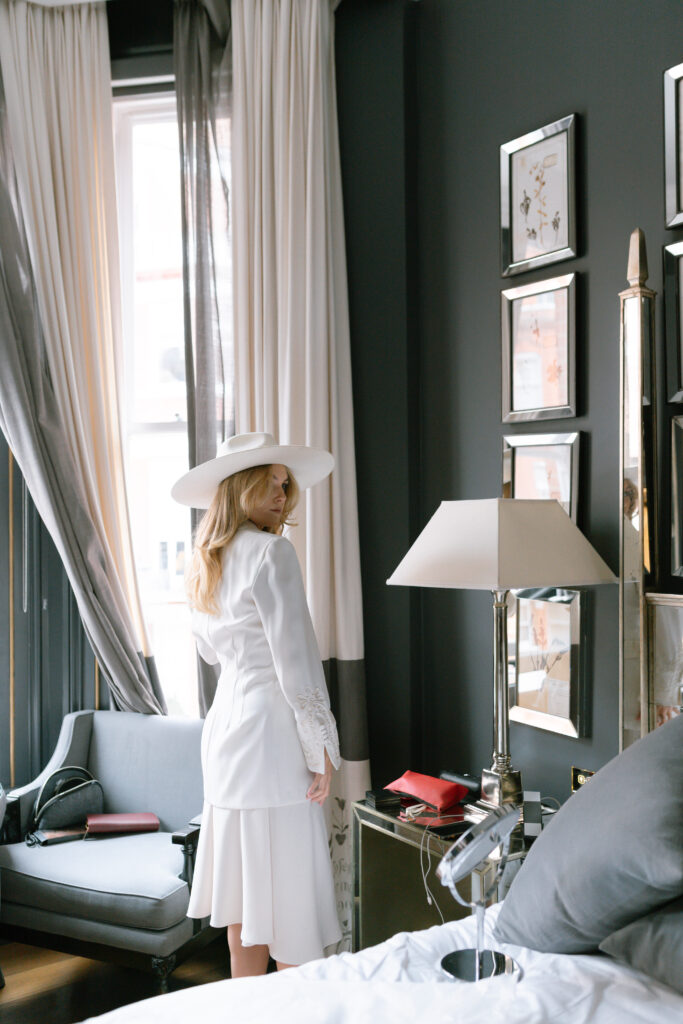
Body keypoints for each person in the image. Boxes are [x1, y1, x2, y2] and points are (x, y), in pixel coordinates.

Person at [171, 432, 341, 977]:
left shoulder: (206, 558)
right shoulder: (273, 552)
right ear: (241, 487)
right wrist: (323, 749)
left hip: (225, 733)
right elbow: (297, 663)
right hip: (271, 736)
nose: (281, 492)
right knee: (291, 910)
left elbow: (207, 648)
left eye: (284, 484)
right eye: (270, 481)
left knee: (244, 909)